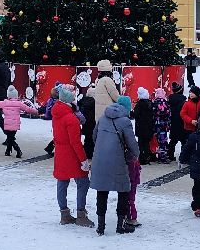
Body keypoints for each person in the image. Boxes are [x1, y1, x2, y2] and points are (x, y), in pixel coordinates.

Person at [89, 95, 137, 235]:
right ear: (127, 108)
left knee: (102, 192)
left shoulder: (103, 118)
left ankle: (101, 227)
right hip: (117, 161)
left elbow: (94, 136)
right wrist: (134, 155)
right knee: (123, 191)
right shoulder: (125, 121)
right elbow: (132, 144)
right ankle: (120, 226)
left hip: (100, 160)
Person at [51, 85, 93, 226]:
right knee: (83, 182)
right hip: (71, 154)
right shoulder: (71, 119)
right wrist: (83, 160)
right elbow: (75, 143)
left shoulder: (57, 113)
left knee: (62, 182)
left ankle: (64, 214)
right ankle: (81, 215)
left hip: (60, 152)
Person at [0, 92, 38, 159]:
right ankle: (8, 151)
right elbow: (28, 109)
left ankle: (17, 149)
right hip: (15, 125)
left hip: (7, 124)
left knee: (10, 138)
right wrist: (37, 112)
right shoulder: (19, 104)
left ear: (8, 96)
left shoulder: (4, 103)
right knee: (10, 137)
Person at [132, 87, 155, 164]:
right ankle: (148, 156)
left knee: (141, 144)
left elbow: (135, 114)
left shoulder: (139, 104)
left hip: (141, 128)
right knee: (147, 143)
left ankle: (142, 158)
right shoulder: (150, 103)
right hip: (149, 127)